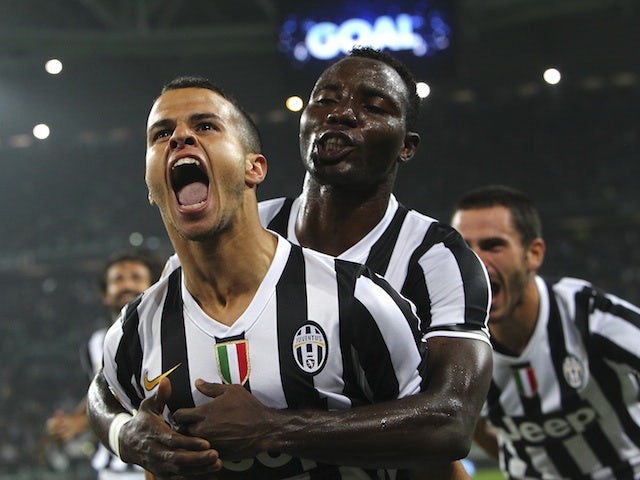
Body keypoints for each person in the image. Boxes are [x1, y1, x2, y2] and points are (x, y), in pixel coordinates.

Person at [88, 48, 493, 478]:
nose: (342, 114)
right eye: (326, 100)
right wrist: (126, 437)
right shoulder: (225, 236)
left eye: (372, 107)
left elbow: (449, 423)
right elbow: (113, 383)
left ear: (406, 145)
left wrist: (274, 429)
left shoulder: (431, 259)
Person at [450, 184, 640, 479]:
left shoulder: (587, 316)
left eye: (492, 245)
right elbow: (464, 425)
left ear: (533, 254)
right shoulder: (454, 343)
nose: (475, 261)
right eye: (463, 247)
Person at [45, 249, 162, 479]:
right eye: (118, 279)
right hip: (114, 469)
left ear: (153, 289)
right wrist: (73, 420)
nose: (127, 285)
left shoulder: (171, 335)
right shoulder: (96, 343)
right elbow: (102, 390)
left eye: (136, 277)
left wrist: (82, 421)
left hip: (164, 463)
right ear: (105, 295)